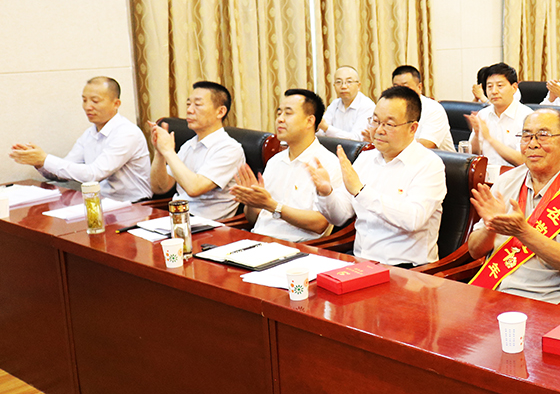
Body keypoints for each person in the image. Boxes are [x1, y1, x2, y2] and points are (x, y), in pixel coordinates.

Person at [466, 109, 560, 303]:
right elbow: (474, 251)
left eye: (543, 135)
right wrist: (491, 228)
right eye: (526, 136)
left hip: (546, 301)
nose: (532, 144)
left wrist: (523, 232)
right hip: (493, 291)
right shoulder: (507, 181)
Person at [323, 86, 447, 267]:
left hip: (407, 270)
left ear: (412, 128)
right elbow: (340, 217)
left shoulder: (429, 165)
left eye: (389, 124)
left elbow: (413, 219)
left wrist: (361, 191)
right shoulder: (365, 158)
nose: (378, 130)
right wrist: (325, 193)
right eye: (375, 121)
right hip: (361, 262)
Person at [232, 90, 352, 242]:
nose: (280, 119)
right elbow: (254, 219)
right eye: (279, 113)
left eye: (288, 113)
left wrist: (272, 205)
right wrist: (252, 202)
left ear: (310, 121)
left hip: (299, 248)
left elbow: (320, 224)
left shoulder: (328, 164)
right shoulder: (275, 161)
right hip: (259, 240)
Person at [9, 76, 151, 203]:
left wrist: (46, 159)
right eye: (84, 100)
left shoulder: (127, 133)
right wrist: (39, 162)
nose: (88, 107)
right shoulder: (89, 134)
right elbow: (63, 173)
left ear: (116, 104)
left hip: (136, 205)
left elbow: (94, 174)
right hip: (102, 203)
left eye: (95, 101)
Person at [148, 81, 245, 220]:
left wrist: (168, 151)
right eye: (188, 104)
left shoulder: (229, 149)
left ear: (220, 112)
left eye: (198, 105)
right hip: (177, 217)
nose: (189, 110)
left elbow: (194, 188)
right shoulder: (189, 145)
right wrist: (160, 153)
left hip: (208, 225)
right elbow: (160, 188)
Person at [467, 62, 534, 167]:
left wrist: (489, 138)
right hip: (486, 174)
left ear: (514, 88)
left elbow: (523, 160)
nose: (494, 91)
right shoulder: (483, 114)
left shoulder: (528, 117)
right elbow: (473, 154)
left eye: (500, 86)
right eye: (490, 86)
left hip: (516, 175)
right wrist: (476, 134)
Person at [389, 65, 455, 151]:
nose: (400, 92)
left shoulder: (434, 109)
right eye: (396, 88)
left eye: (405, 88)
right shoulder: (391, 108)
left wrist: (391, 142)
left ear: (419, 87)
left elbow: (426, 145)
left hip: (438, 158)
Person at [318, 66, 376, 141]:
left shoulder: (367, 106)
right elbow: (321, 132)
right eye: (339, 82)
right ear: (334, 86)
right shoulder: (335, 104)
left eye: (349, 82)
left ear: (358, 86)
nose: (343, 86)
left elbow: (357, 139)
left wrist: (326, 128)